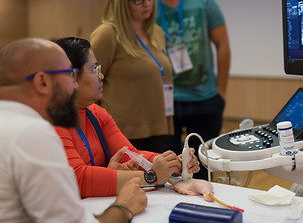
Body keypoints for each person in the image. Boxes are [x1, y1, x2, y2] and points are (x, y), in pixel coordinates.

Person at [0, 38, 147, 222]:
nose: (75, 85)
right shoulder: (31, 131)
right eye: (70, 75)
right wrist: (125, 207)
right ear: (42, 82)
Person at [54, 37, 200, 198]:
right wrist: (150, 177)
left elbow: (130, 154)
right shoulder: (53, 121)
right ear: (71, 77)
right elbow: (80, 179)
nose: (101, 76)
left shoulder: (95, 113)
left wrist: (171, 163)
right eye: (94, 69)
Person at [155, 0, 231, 179]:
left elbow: (223, 44)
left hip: (205, 99)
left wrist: (221, 92)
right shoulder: (150, 4)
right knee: (169, 169)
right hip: (165, 102)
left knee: (202, 170)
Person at [90, 0, 173, 152]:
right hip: (123, 132)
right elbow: (89, 85)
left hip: (157, 127)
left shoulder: (156, 32)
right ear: (121, 2)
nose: (147, 3)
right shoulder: (107, 34)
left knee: (159, 177)